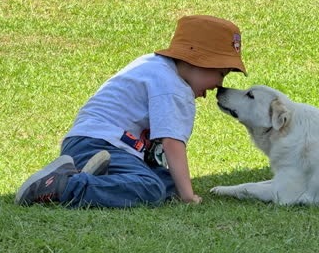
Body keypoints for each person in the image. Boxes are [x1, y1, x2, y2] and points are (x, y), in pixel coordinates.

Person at [15, 15, 247, 208]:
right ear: (198, 60)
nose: (218, 85)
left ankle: (98, 178)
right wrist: (188, 197)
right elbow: (172, 143)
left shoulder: (155, 66)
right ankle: (62, 186)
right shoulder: (174, 88)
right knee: (150, 188)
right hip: (100, 143)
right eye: (221, 74)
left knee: (168, 183)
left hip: (93, 143)